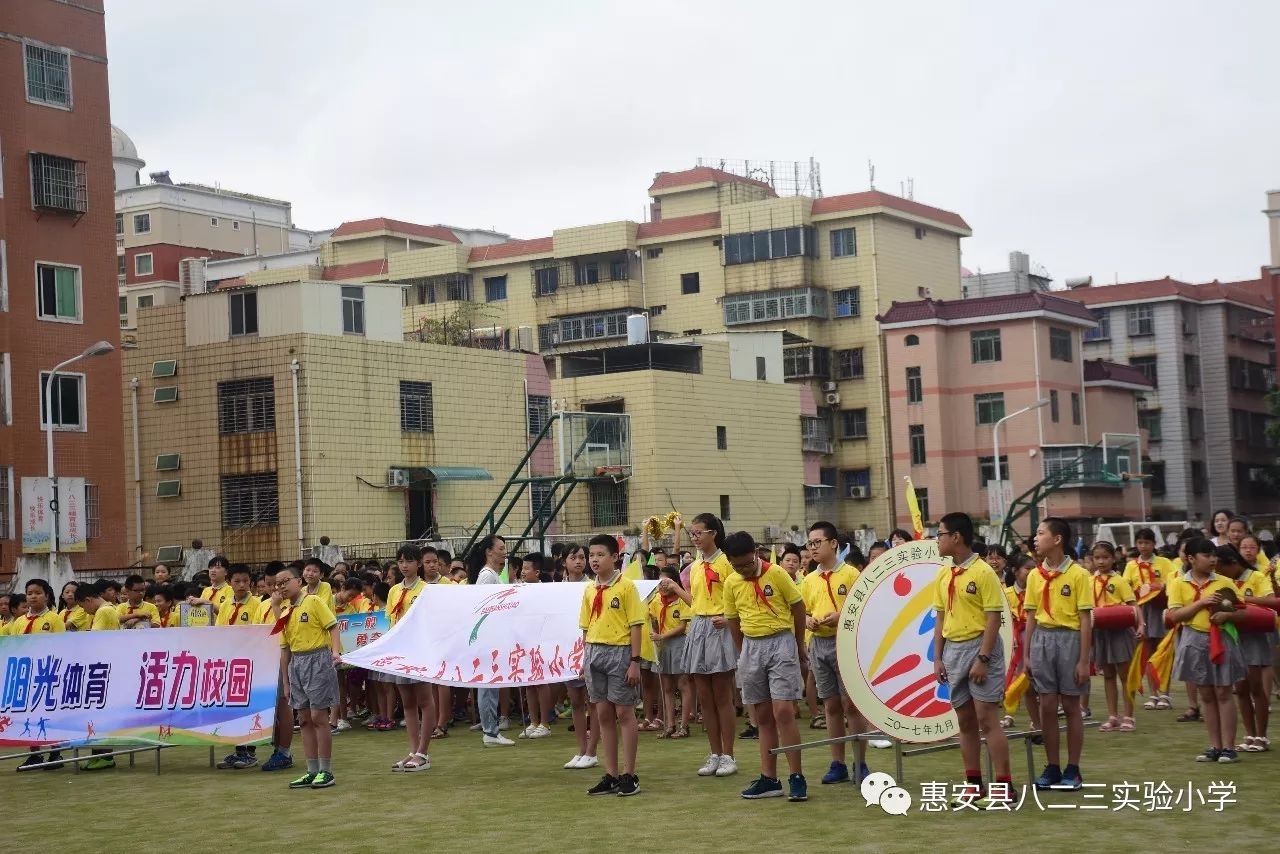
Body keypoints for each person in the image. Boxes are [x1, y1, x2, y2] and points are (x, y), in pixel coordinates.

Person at [721, 531, 808, 802]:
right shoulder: (732, 582)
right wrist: (742, 651)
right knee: (761, 716)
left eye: (747, 564)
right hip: (751, 647)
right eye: (737, 566)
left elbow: (798, 607)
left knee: (783, 711)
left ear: (756, 554)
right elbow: (733, 619)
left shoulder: (778, 574)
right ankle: (769, 778)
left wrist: (797, 644)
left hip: (781, 642)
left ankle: (797, 776)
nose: (744, 570)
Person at [932, 512, 1011, 807]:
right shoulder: (943, 573)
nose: (936, 540)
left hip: (980, 647)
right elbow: (940, 619)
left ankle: (1004, 787)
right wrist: (938, 658)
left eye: (939, 534)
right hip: (953, 649)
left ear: (956, 537)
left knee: (986, 718)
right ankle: (973, 784)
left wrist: (983, 658)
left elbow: (993, 618)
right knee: (964, 721)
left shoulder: (983, 572)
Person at [1024, 518, 1092, 790]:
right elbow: (1030, 617)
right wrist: (1027, 654)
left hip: (1070, 639)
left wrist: (1084, 660)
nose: (1035, 538)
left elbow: (1086, 619)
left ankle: (1072, 768)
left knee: (1072, 705)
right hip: (1042, 639)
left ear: (1057, 539)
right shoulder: (1034, 576)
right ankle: (1052, 765)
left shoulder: (1078, 575)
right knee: (1047, 706)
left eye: (1041, 533)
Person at [670, 512, 738, 778]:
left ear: (714, 534)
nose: (695, 538)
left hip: (720, 628)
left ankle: (729, 755)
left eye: (699, 533)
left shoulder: (726, 563)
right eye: (692, 534)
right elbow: (696, 601)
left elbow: (738, 595)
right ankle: (715, 753)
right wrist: (676, 590)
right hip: (698, 626)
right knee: (705, 698)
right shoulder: (696, 565)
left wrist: (729, 617)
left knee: (722, 696)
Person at [801, 521, 870, 785]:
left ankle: (860, 762)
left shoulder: (851, 575)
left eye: (818, 542)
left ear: (833, 544)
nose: (813, 548)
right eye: (810, 543)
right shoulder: (809, 580)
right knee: (830, 705)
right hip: (819, 645)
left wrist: (840, 616)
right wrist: (808, 620)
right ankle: (838, 763)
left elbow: (862, 608)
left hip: (845, 643)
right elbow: (805, 610)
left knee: (852, 705)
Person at [1168, 539, 1247, 762]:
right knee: (1206, 695)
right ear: (1191, 559)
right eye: (1206, 555)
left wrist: (1228, 616)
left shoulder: (1225, 582)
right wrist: (1201, 603)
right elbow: (1175, 616)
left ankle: (1229, 748)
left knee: (1223, 692)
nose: (1213, 559)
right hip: (1193, 638)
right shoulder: (1178, 583)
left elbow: (1243, 612)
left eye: (1214, 555)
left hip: (1221, 639)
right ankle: (1215, 745)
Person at [580, 534, 644, 797]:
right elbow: (585, 627)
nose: (594, 560)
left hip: (620, 652)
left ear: (615, 557)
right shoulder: (589, 589)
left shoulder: (626, 587)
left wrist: (635, 662)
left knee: (624, 714)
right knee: (603, 714)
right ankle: (611, 773)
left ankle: (629, 774)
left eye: (600, 555)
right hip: (594, 652)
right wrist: (585, 657)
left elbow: (636, 625)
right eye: (591, 555)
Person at [271, 564, 342, 789]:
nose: (281, 587)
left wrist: (335, 653)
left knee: (319, 717)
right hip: (296, 665)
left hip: (318, 659)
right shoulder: (284, 613)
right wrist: (286, 681)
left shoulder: (313, 601)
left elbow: (333, 626)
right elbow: (284, 649)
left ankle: (326, 770)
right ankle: (311, 770)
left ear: (298, 582)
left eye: (285, 582)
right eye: (277, 584)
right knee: (303, 719)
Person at [1214, 543, 1276, 752]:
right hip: (1233, 637)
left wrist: (1242, 600)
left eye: (1221, 568)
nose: (1218, 573)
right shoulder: (1223, 581)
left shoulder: (1256, 577)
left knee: (1256, 687)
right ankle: (1249, 735)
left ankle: (1262, 736)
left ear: (1232, 563)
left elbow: (1271, 602)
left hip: (1254, 637)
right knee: (1240, 689)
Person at [385, 544, 436, 771]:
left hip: (419, 649)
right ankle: (413, 750)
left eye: (409, 561)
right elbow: (391, 622)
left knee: (425, 700)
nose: (404, 565)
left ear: (418, 564)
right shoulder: (394, 590)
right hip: (400, 651)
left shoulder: (426, 589)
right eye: (401, 561)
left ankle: (424, 752)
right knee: (407, 702)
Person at [1090, 542, 1143, 733]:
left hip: (1120, 630)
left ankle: (1129, 716)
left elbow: (1133, 604)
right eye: (1097, 558)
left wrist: (1141, 624)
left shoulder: (1119, 581)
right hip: (1101, 632)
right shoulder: (1089, 581)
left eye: (1105, 557)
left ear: (1114, 558)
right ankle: (1112, 716)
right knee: (1108, 675)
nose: (1101, 561)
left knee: (1125, 674)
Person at [558, 543, 601, 769]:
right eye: (574, 557)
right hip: (568, 649)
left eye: (582, 557)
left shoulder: (592, 586)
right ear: (564, 561)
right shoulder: (558, 588)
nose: (579, 561)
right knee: (575, 700)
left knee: (593, 700)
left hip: (589, 645)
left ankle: (592, 750)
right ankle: (581, 749)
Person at [1124, 527, 1175, 711]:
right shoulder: (1131, 566)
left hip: (1159, 608)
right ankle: (1153, 694)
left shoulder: (1164, 562)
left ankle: (1165, 693)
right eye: (1140, 543)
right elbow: (1126, 586)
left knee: (1162, 650)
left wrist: (1157, 587)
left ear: (1154, 544)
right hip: (1141, 610)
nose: (1143, 546)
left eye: (1147, 542)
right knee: (1147, 650)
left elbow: (1173, 581)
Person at [471, 534, 515, 746]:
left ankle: (491, 729)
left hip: (492, 636)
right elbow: (484, 608)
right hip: (488, 638)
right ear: (489, 551)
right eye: (500, 548)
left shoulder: (493, 575)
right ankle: (489, 731)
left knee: (491, 684)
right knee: (488, 684)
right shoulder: (487, 576)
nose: (504, 551)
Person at [651, 566, 692, 739]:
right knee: (666, 687)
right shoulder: (655, 600)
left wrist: (662, 635)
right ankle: (669, 725)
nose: (663, 586)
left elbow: (682, 627)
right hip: (663, 646)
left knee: (683, 685)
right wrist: (655, 631)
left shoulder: (681, 599)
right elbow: (652, 620)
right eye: (660, 582)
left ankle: (684, 725)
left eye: (666, 582)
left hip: (678, 644)